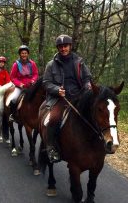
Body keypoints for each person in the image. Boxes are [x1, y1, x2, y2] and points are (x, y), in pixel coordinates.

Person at [42, 34, 92, 163]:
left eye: (65, 46)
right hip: (60, 98)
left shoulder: (79, 62)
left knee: (95, 114)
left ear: (70, 46)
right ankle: (51, 148)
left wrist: (88, 85)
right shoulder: (51, 65)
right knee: (53, 119)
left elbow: (87, 78)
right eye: (61, 47)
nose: (63, 49)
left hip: (79, 96)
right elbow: (46, 83)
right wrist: (57, 90)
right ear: (58, 48)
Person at [8, 45, 39, 122]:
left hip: (31, 86)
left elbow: (35, 74)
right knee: (14, 99)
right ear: (20, 54)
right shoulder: (16, 64)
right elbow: (12, 77)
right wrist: (20, 84)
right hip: (20, 87)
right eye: (22, 53)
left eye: (25, 53)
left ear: (28, 54)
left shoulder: (32, 63)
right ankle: (13, 115)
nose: (24, 55)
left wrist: (33, 80)